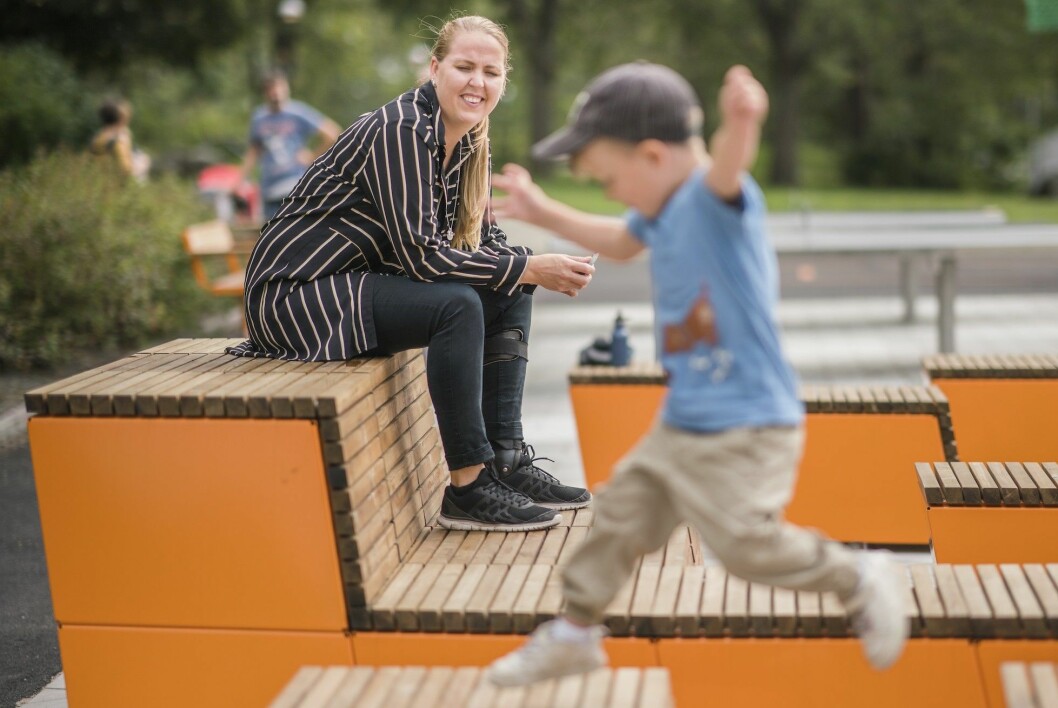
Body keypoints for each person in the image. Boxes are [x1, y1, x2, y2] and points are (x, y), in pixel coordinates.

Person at [485, 62, 909, 685]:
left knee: (744, 547)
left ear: (653, 155)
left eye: (609, 179)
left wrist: (742, 123)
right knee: (620, 513)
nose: (613, 195)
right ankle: (576, 631)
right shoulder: (663, 210)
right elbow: (622, 242)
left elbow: (727, 168)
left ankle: (858, 576)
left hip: (748, 422)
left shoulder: (712, 202)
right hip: (684, 423)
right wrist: (543, 211)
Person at [226, 15, 595, 532]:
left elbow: (482, 246)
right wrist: (527, 266)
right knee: (458, 304)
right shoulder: (402, 130)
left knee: (511, 287)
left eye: (490, 72)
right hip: (296, 294)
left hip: (350, 285)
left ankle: (506, 461)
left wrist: (527, 267)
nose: (477, 82)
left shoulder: (465, 140)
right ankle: (468, 488)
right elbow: (423, 257)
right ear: (435, 68)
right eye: (464, 67)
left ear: (503, 81)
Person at [240, 70, 341, 221]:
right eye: (271, 88)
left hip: (294, 186)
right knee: (271, 236)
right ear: (265, 92)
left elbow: (333, 133)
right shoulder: (259, 117)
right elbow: (254, 151)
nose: (275, 92)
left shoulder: (298, 112)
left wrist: (311, 157)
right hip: (269, 189)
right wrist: (240, 178)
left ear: (286, 88)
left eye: (279, 87)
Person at [89, 98, 150, 181]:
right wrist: (143, 165)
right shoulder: (119, 141)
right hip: (116, 186)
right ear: (121, 118)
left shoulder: (98, 137)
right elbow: (127, 173)